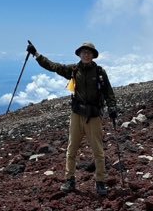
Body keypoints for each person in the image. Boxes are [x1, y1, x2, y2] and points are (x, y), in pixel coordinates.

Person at [26, 41, 117, 196]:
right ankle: (70, 180)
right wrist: (36, 54)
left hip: (94, 116)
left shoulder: (100, 72)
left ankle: (100, 182)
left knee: (98, 152)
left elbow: (109, 92)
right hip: (76, 115)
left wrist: (113, 108)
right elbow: (53, 66)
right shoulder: (73, 70)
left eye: (89, 53)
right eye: (84, 52)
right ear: (80, 54)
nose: (86, 55)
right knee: (71, 149)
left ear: (93, 55)